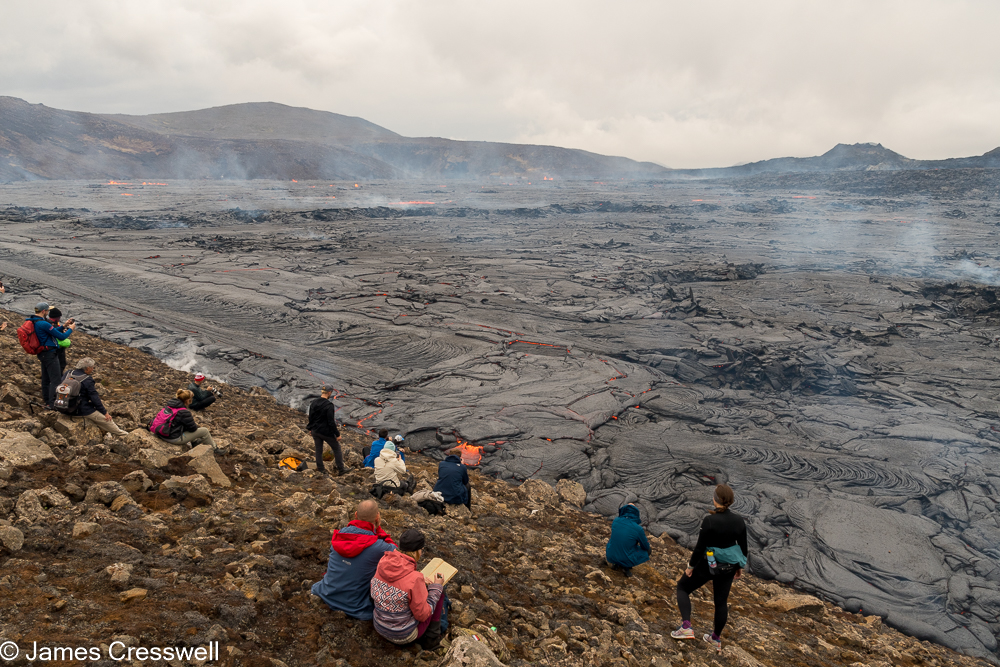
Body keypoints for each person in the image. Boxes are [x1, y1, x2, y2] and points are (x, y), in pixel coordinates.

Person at [671, 484, 748, 653]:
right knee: (721, 603)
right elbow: (743, 547)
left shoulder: (709, 520)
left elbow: (700, 548)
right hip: (729, 567)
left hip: (708, 564)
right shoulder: (739, 521)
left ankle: (686, 627)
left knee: (682, 587)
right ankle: (715, 639)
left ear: (715, 499)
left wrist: (690, 567)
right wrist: (739, 567)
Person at [312, 500, 396, 619]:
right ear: (377, 517)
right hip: (354, 607)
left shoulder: (339, 536)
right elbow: (399, 554)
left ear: (356, 515)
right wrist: (378, 529)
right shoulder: (380, 547)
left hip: (325, 593)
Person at [371, 528, 448, 649]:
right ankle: (432, 640)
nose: (422, 553)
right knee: (440, 592)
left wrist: (420, 583)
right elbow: (422, 615)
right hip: (402, 635)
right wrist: (436, 586)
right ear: (416, 552)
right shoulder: (415, 578)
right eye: (421, 550)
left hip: (379, 626)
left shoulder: (383, 562)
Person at [60, 358, 129, 436]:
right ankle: (123, 434)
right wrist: (105, 413)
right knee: (107, 420)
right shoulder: (87, 379)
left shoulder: (68, 373)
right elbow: (94, 398)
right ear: (88, 368)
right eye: (92, 367)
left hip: (62, 406)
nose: (93, 369)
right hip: (79, 410)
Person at [26, 302, 75, 408]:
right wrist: (71, 329)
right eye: (47, 311)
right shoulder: (43, 323)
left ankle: (47, 401)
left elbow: (53, 332)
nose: (48, 313)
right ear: (43, 311)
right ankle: (53, 404)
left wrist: (64, 326)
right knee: (55, 379)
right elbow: (61, 337)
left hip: (42, 353)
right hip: (49, 354)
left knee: (46, 379)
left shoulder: (35, 321)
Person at [605, 503, 651, 577]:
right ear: (636, 513)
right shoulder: (638, 529)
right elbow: (645, 546)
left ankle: (616, 564)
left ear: (624, 510)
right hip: (625, 557)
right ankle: (626, 566)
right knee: (648, 550)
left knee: (616, 541)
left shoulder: (616, 520)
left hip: (610, 555)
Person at [307, 387, 345, 475]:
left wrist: (310, 428)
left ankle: (321, 469)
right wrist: (337, 434)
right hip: (326, 432)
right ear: (329, 392)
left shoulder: (314, 402)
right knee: (337, 448)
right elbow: (331, 422)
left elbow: (311, 417)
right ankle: (341, 470)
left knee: (318, 450)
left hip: (315, 431)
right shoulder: (329, 405)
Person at [47, 307, 72, 375]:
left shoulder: (47, 323)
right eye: (59, 317)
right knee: (60, 366)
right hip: (57, 350)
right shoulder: (52, 325)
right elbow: (61, 337)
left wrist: (62, 329)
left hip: (48, 352)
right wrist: (71, 329)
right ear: (57, 317)